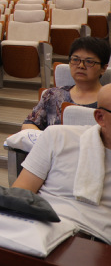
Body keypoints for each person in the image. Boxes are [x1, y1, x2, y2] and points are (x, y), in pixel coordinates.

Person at [12, 84, 111, 243]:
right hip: (39, 227)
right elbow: (20, 193)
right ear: (100, 117)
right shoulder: (57, 136)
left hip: (94, 241)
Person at [22, 37, 111, 130]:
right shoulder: (53, 95)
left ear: (103, 68)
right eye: (75, 60)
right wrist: (45, 137)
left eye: (89, 61)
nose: (81, 66)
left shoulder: (108, 100)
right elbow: (29, 124)